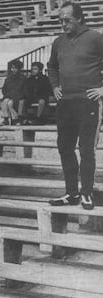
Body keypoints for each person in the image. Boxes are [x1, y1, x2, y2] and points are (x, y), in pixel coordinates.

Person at [48, 1, 103, 210]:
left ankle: (86, 193)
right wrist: (54, 87)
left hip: (88, 101)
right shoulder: (58, 42)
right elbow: (51, 67)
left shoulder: (96, 38)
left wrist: (102, 89)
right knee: (65, 147)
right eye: (61, 20)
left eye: (67, 20)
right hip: (65, 103)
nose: (63, 24)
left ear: (79, 18)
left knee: (86, 149)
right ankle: (71, 193)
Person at [0, 60, 26, 126]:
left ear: (19, 69)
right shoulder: (8, 79)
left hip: (18, 96)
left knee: (10, 103)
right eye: (12, 68)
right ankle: (5, 119)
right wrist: (7, 95)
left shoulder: (22, 78)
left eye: (15, 68)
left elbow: (24, 90)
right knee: (4, 102)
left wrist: (16, 96)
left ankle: (15, 119)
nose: (13, 70)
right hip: (9, 96)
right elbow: (4, 89)